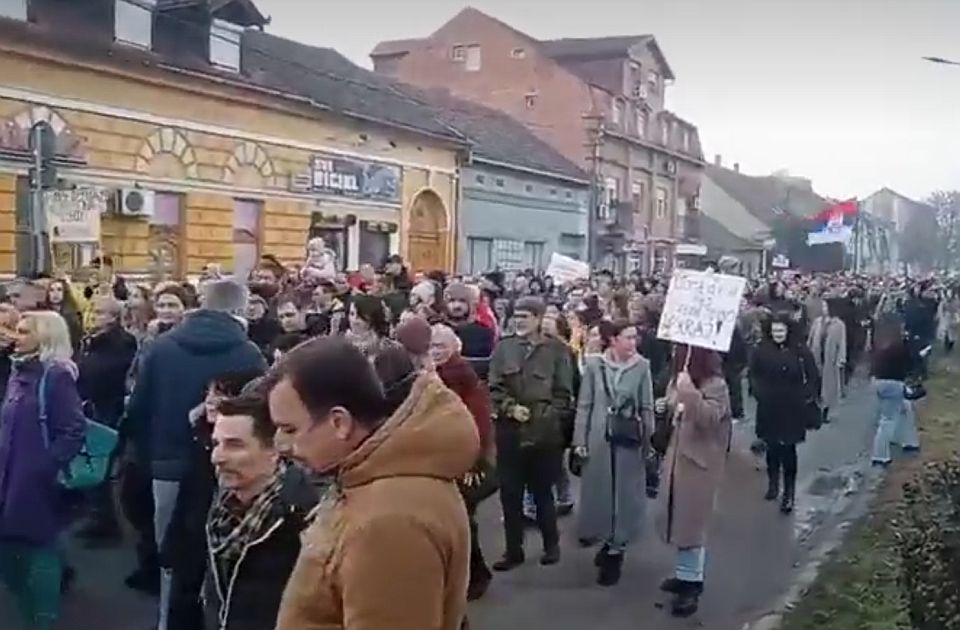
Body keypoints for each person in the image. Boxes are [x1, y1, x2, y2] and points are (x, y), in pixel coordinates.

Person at [267, 337, 478, 630]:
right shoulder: (373, 483)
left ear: (339, 422)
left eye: (290, 429)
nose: (281, 445)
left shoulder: (389, 522)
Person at [125, 277, 266, 630]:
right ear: (237, 308)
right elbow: (261, 412)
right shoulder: (248, 352)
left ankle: (168, 622)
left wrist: (144, 455)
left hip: (167, 461)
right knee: (220, 548)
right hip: (229, 463)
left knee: (172, 553)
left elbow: (138, 407)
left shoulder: (162, 346)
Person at [202, 393, 317, 630]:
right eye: (216, 444)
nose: (217, 457)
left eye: (234, 445)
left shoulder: (304, 517)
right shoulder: (222, 503)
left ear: (274, 450)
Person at [0, 311, 85, 629]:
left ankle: (41, 620)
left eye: (24, 331)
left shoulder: (55, 376)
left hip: (33, 478)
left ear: (44, 338)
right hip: (9, 473)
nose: (15, 336)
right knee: (9, 551)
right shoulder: (17, 371)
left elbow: (73, 429)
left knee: (39, 548)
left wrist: (46, 466)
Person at [165, 369, 265, 630]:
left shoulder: (284, 511)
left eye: (220, 394)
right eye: (207, 392)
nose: (210, 400)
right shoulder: (200, 442)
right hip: (193, 551)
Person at [488, 296, 574, 570]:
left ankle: (552, 546)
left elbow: (564, 394)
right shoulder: (504, 349)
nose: (519, 320)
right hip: (510, 431)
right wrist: (510, 408)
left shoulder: (558, 351)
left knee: (542, 493)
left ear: (538, 319)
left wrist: (546, 418)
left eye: (526, 316)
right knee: (510, 495)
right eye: (516, 315)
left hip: (544, 434)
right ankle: (513, 551)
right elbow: (494, 386)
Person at [573, 320, 654, 586]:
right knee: (600, 494)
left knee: (626, 496)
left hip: (629, 439)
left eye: (635, 338)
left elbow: (646, 406)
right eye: (628, 338)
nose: (633, 343)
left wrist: (649, 442)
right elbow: (584, 404)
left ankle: (616, 551)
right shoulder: (595, 366)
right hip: (599, 439)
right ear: (613, 340)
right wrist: (579, 440)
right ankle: (606, 540)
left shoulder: (642, 366)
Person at [657, 345, 731, 618]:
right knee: (678, 521)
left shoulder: (716, 385)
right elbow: (674, 405)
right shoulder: (681, 377)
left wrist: (688, 392)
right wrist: (668, 400)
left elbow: (709, 418)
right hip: (679, 459)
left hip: (699, 464)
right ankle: (684, 574)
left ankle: (693, 583)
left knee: (692, 525)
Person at [430, 323, 494, 601]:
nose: (435, 352)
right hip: (438, 459)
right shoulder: (429, 376)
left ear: (455, 348)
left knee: (463, 521)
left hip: (462, 463)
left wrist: (472, 461)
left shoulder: (465, 378)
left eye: (441, 346)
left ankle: (476, 575)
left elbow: (478, 424)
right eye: (432, 346)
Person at [75, 295, 138, 544]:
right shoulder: (90, 341)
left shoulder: (122, 343)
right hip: (90, 408)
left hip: (108, 411)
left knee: (101, 469)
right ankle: (97, 519)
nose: (94, 316)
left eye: (100, 312)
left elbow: (114, 374)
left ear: (113, 317)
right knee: (91, 466)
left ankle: (108, 527)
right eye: (92, 310)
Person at [751, 317, 820, 513]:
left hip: (792, 407)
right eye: (775, 331)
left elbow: (813, 374)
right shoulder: (761, 350)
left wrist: (806, 394)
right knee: (772, 448)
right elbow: (754, 375)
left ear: (788, 331)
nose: (778, 335)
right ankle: (773, 485)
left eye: (781, 331)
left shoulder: (799, 350)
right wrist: (759, 393)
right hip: (769, 406)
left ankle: (789, 493)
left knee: (789, 450)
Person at [870, 318, 920, 465]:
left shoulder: (881, 343)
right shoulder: (900, 346)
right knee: (888, 419)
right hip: (893, 382)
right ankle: (880, 456)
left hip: (879, 381)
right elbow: (911, 363)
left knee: (906, 410)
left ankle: (909, 442)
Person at [807, 298, 847, 423]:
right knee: (816, 383)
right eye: (823, 306)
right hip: (816, 356)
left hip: (830, 358)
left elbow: (842, 343)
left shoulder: (839, 325)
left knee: (828, 386)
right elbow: (811, 338)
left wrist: (841, 358)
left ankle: (825, 411)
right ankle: (815, 407)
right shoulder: (817, 322)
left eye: (825, 306)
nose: (823, 309)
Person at [44, 278, 83, 354]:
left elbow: (75, 339)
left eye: (59, 290)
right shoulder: (43, 313)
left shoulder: (73, 315)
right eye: (52, 290)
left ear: (65, 292)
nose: (55, 293)